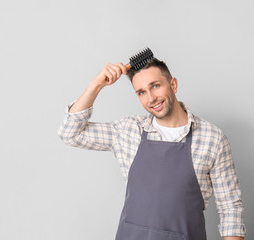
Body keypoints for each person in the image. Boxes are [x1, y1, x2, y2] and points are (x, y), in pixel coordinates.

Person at [57, 58, 246, 240]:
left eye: (155, 86)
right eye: (141, 92)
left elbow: (230, 210)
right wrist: (96, 85)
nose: (151, 98)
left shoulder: (212, 138)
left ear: (173, 85)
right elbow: (70, 133)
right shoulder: (127, 131)